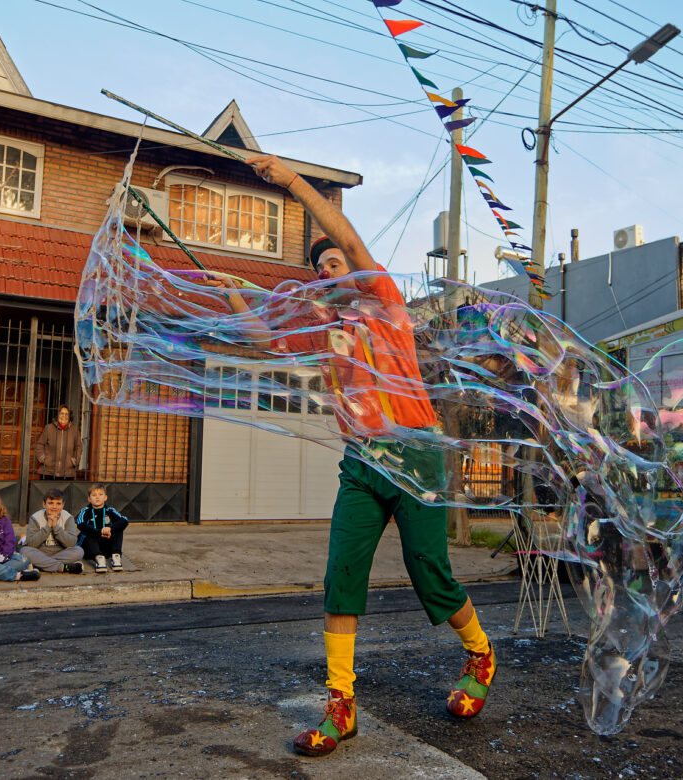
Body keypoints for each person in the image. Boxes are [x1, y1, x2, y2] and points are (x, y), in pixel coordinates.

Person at [210, 154, 495, 757]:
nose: (331, 270)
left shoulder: (386, 301)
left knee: (430, 574)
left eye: (336, 264)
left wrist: (290, 183)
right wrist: (236, 297)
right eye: (322, 270)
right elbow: (265, 344)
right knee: (341, 576)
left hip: (415, 455)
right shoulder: (327, 331)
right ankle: (340, 708)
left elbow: (347, 237)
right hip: (361, 464)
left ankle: (479, 652)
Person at [20, 488, 84, 573]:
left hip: (61, 552)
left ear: (63, 505)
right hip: (40, 551)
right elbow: (31, 543)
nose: (54, 507)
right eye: (50, 503)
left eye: (58, 504)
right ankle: (62, 567)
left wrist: (55, 527)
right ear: (44, 504)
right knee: (25, 551)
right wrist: (48, 526)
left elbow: (71, 543)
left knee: (79, 551)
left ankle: (40, 564)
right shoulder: (35, 517)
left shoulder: (68, 517)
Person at [75, 485, 129, 573]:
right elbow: (80, 524)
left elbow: (124, 520)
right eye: (94, 495)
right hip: (89, 549)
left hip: (107, 547)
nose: (97, 497)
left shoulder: (110, 510)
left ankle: (116, 556)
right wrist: (99, 532)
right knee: (88, 531)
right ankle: (99, 559)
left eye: (100, 494)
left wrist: (110, 529)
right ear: (89, 499)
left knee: (118, 528)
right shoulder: (85, 511)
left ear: (105, 497)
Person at [35, 404, 81, 479]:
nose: (64, 416)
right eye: (61, 413)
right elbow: (40, 445)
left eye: (67, 414)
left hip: (67, 473)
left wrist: (74, 461)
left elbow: (78, 447)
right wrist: (43, 459)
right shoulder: (49, 428)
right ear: (57, 415)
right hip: (48, 471)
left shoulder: (75, 430)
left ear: (70, 416)